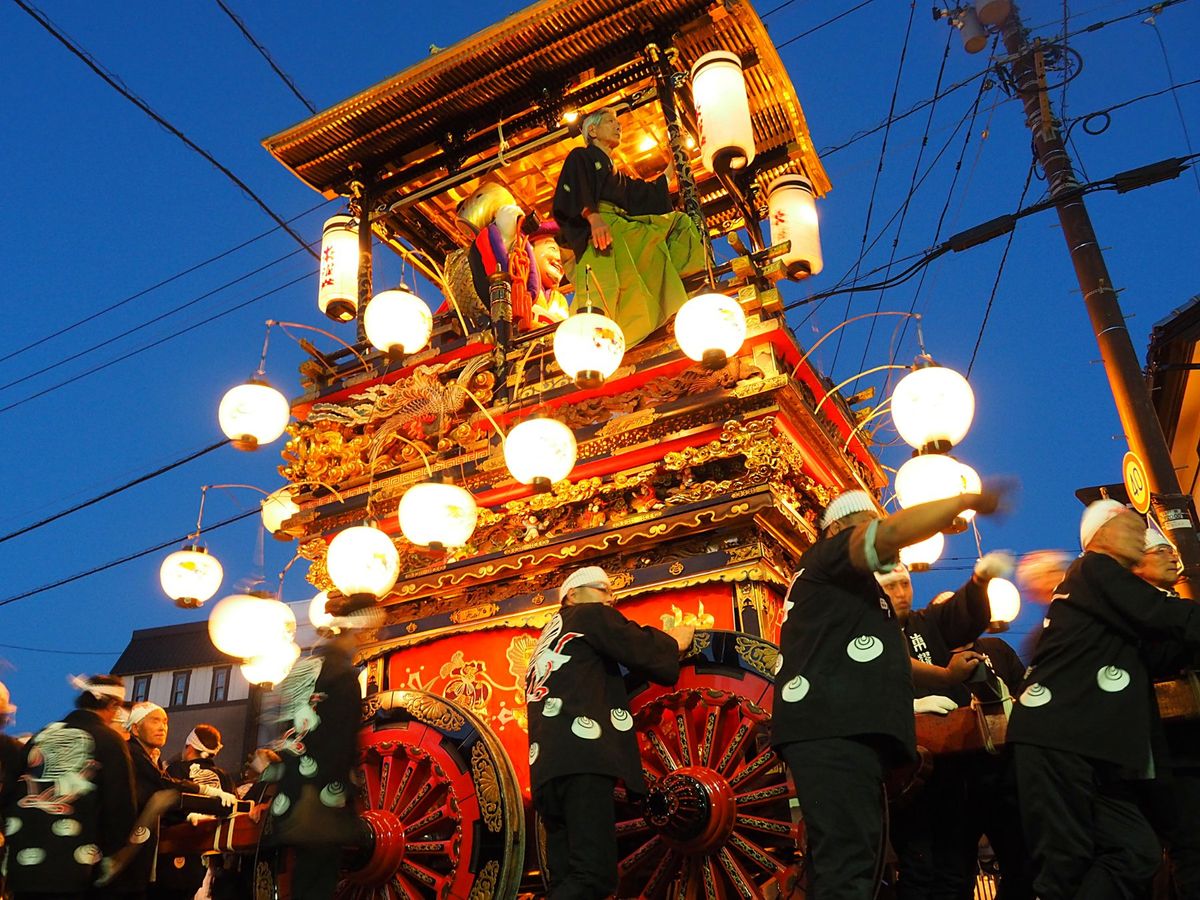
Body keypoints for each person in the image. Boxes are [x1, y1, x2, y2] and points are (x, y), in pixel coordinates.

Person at [771, 483, 1008, 900]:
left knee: (858, 868)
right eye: (869, 526)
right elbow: (890, 533)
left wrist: (947, 677)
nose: (881, 536)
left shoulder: (851, 597)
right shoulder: (828, 560)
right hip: (834, 730)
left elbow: (892, 661)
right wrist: (961, 500)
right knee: (847, 871)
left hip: (847, 733)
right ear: (839, 531)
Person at [1008, 500, 1200, 900]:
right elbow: (1167, 616)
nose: (1140, 534)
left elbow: (1163, 649)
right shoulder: (1093, 569)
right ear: (1101, 537)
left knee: (1136, 851)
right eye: (1130, 526)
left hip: (1090, 749)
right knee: (1063, 867)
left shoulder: (1106, 593)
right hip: (1058, 738)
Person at [526, 564, 693, 899]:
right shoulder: (586, 616)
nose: (611, 598)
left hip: (546, 771)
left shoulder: (547, 641)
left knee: (565, 879)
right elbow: (635, 643)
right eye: (603, 590)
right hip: (583, 761)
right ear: (572, 595)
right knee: (594, 877)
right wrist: (673, 643)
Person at [877, 556, 1032, 900]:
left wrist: (978, 584)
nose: (900, 592)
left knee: (970, 869)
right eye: (890, 586)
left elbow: (959, 617)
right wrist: (910, 708)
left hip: (965, 772)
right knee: (924, 871)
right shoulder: (866, 636)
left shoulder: (926, 625)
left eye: (905, 584)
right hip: (908, 778)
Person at [552, 107, 705, 347]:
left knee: (678, 224)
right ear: (592, 130)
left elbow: (642, 194)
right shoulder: (580, 156)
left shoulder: (616, 174)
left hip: (623, 226)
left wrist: (674, 164)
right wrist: (593, 217)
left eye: (618, 122)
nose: (618, 125)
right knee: (608, 283)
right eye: (611, 121)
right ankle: (602, 336)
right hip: (600, 229)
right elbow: (575, 187)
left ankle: (691, 292)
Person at [261, 611, 371, 900]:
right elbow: (341, 742)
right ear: (351, 634)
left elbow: (283, 731)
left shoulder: (303, 670)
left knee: (305, 878)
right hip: (322, 797)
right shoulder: (343, 677)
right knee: (319, 879)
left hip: (295, 792)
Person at [1, 675, 136, 900]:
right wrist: (109, 855)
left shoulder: (43, 733)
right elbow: (121, 808)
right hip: (73, 867)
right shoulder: (108, 739)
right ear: (113, 705)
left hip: (23, 864)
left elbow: (11, 791)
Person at [100, 703, 236, 900]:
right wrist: (205, 792)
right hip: (127, 853)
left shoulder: (154, 761)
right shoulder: (131, 754)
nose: (162, 727)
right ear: (135, 728)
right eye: (155, 720)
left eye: (165, 721)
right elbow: (164, 787)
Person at [1133, 527, 1200, 900]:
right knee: (1189, 849)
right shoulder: (1140, 613)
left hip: (1186, 747)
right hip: (1172, 751)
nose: (1173, 555)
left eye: (1172, 549)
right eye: (1161, 550)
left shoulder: (1169, 605)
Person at [155, 726, 234, 900]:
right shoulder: (224, 776)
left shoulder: (176, 770)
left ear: (189, 747)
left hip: (179, 854)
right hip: (215, 856)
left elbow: (166, 805)